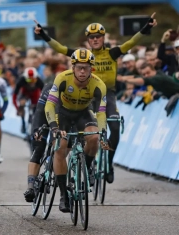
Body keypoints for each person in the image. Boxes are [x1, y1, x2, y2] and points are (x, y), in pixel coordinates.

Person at [34, 13, 157, 183]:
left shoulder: (112, 53)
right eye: (92, 37)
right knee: (84, 130)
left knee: (114, 127)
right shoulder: (82, 55)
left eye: (98, 36)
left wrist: (147, 27)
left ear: (103, 37)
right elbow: (60, 49)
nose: (95, 39)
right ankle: (84, 162)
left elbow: (131, 43)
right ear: (88, 40)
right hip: (87, 96)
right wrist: (43, 35)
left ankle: (109, 163)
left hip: (109, 94)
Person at [44, 48, 107, 212]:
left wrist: (101, 130)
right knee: (60, 147)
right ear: (73, 67)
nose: (82, 71)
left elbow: (101, 111)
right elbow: (50, 104)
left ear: (91, 69)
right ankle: (64, 195)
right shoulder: (62, 78)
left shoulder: (98, 84)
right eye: (79, 67)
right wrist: (54, 127)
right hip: (63, 113)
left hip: (83, 113)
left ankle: (85, 167)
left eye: (86, 68)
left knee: (93, 137)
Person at [23, 83, 52, 202]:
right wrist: (36, 131)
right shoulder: (49, 91)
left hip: (63, 117)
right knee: (39, 147)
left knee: (60, 145)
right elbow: (39, 113)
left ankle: (52, 166)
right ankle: (30, 186)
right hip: (44, 114)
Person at [13, 67, 44, 133]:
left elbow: (44, 94)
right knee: (22, 103)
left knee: (35, 107)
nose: (31, 83)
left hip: (34, 94)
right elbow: (14, 96)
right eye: (29, 81)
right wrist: (18, 108)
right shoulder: (21, 79)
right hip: (25, 93)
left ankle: (33, 121)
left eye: (33, 80)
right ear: (25, 79)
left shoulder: (39, 80)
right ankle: (23, 122)